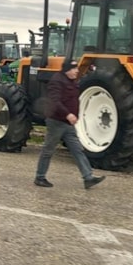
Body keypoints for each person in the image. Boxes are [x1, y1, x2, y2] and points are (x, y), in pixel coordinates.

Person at [35, 58, 105, 190]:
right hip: (56, 122)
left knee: (77, 150)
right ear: (67, 70)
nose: (77, 71)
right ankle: (40, 177)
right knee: (48, 150)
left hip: (68, 124)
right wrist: (68, 114)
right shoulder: (56, 81)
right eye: (74, 69)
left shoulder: (71, 81)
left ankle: (88, 178)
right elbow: (55, 101)